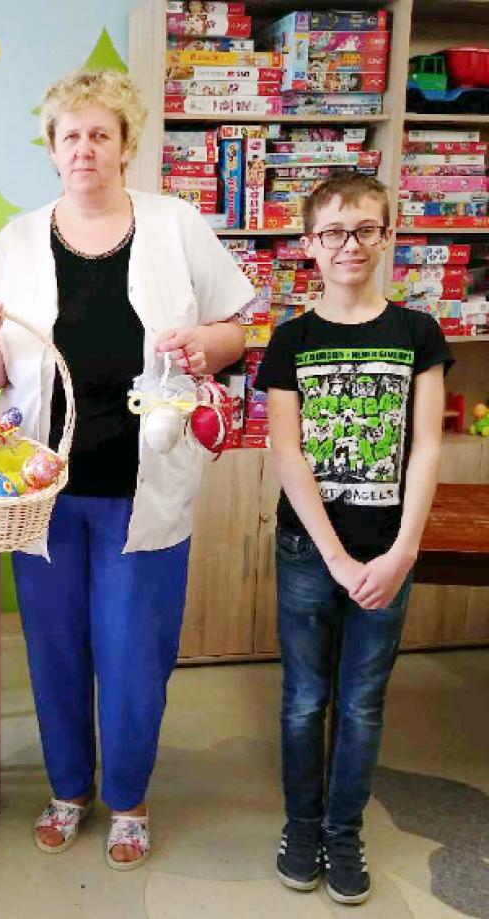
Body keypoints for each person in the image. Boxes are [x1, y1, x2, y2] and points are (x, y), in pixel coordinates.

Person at [0, 69, 254, 869]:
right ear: (52, 149)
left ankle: (128, 797)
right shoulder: (18, 240)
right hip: (44, 488)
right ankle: (67, 790)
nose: (84, 148)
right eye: (70, 136)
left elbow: (235, 331)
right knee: (54, 649)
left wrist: (205, 345)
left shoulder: (176, 225)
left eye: (100, 134)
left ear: (126, 145)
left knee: (133, 655)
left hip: (142, 484)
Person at [254, 173, 452, 905]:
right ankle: (301, 826)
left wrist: (402, 553)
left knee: (362, 702)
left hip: (388, 553)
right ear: (310, 243)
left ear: (387, 235)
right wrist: (336, 557)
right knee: (305, 699)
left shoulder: (418, 334)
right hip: (310, 552)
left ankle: (344, 831)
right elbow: (287, 451)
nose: (350, 245)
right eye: (334, 232)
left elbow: (426, 446)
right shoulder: (292, 340)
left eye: (367, 229)